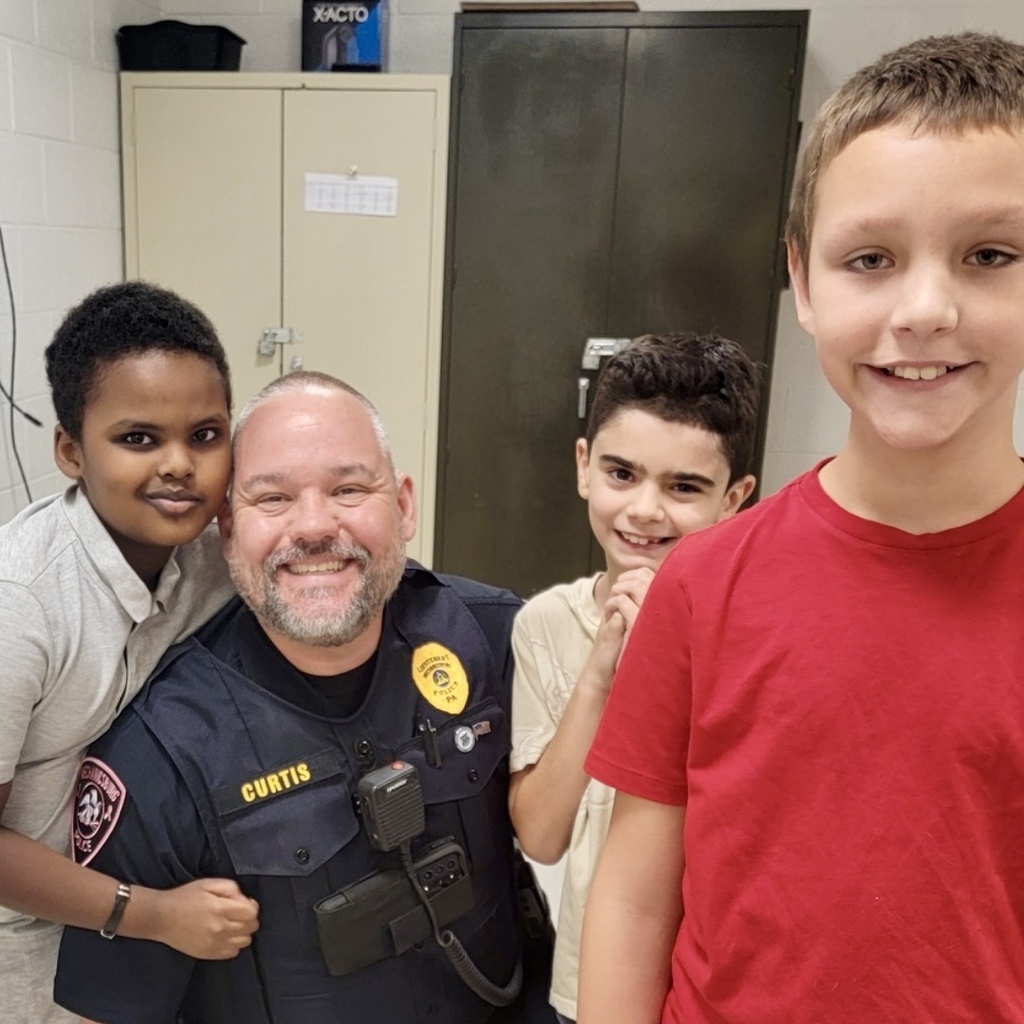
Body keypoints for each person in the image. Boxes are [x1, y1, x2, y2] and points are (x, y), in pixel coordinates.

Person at [577, 30, 1024, 1024]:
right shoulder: (703, 586)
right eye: (870, 258)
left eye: (989, 255)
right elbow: (636, 898)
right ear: (804, 280)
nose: (925, 309)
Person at [54, 371, 557, 1024]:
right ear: (227, 530)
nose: (315, 526)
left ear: (403, 505)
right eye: (273, 499)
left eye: (349, 489)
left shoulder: (494, 637)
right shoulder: (164, 752)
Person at [0, 281, 259, 1024]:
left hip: (157, 910)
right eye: (138, 439)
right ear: (70, 451)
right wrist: (151, 914)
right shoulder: (22, 603)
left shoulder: (214, 551)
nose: (179, 464)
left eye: (205, 435)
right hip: (33, 938)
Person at [508, 332, 759, 1023]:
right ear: (584, 466)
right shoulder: (546, 625)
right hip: (586, 985)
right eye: (622, 474)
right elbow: (542, 836)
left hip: (714, 985)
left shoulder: (755, 633)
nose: (646, 510)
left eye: (684, 487)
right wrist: (600, 674)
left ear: (734, 498)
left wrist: (669, 655)